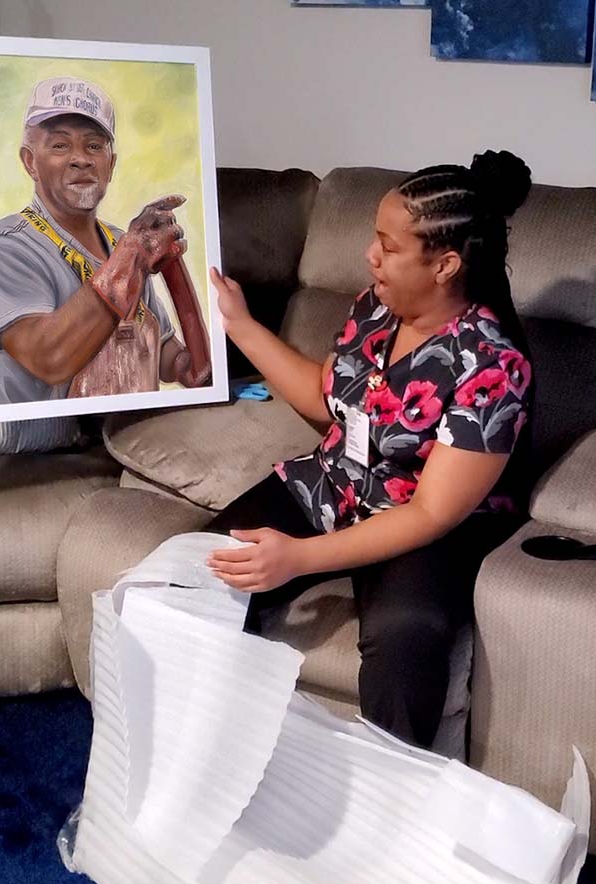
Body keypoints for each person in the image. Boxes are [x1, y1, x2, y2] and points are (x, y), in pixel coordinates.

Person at [207, 150, 533, 749]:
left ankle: (391, 786)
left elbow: (431, 512)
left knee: (405, 635)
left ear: (445, 265)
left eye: (388, 245)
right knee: (194, 574)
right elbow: (325, 400)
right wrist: (239, 323)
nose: (369, 255)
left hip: (420, 523)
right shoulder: (374, 308)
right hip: (334, 483)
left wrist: (299, 557)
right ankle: (214, 747)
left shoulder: (492, 364)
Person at [0, 76, 197, 404]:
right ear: (30, 161)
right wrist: (131, 257)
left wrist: (197, 363)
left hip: (139, 429)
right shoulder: (1, 249)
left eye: (94, 146)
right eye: (60, 145)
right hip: (54, 436)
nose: (81, 159)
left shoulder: (122, 242)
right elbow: (49, 359)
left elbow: (165, 355)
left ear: (110, 165)